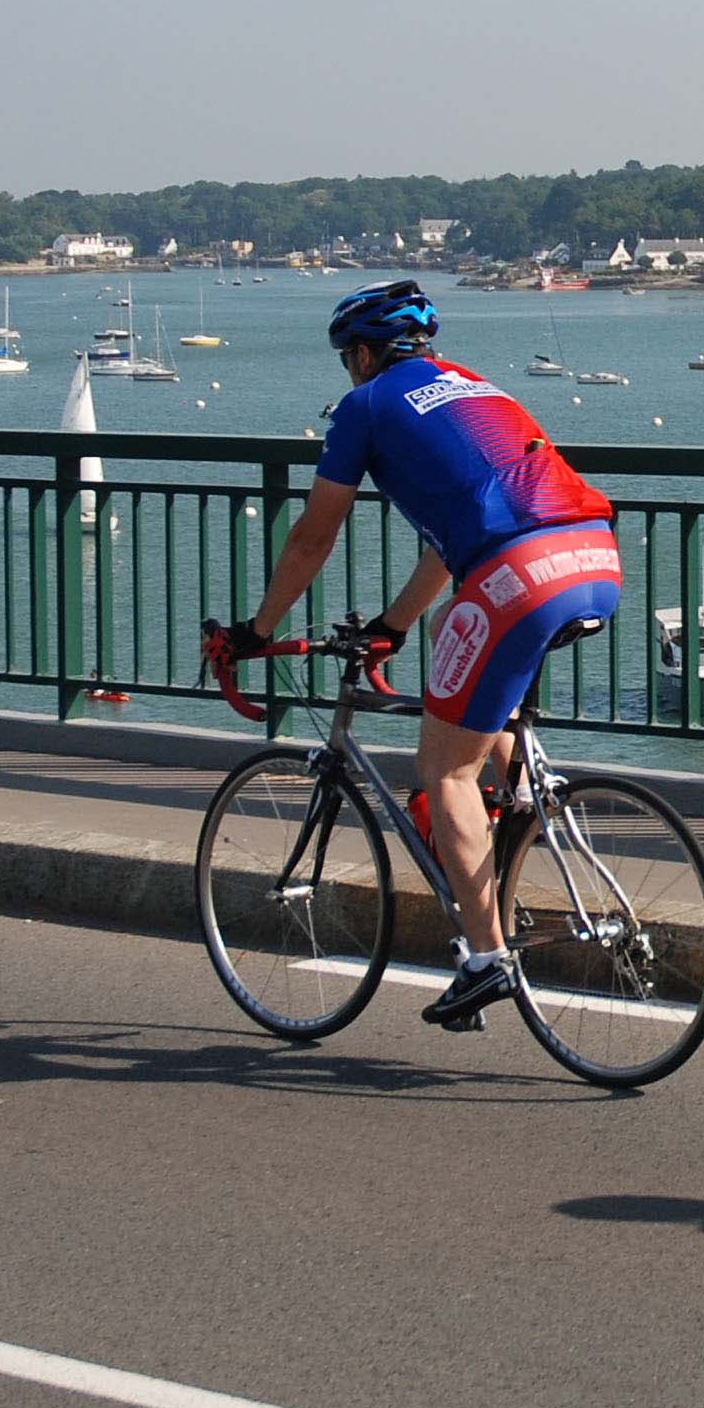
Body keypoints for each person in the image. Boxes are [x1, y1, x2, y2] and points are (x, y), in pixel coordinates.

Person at [208, 280, 621, 1030]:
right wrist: (395, 626)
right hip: (592, 555)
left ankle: (486, 961)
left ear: (363, 354)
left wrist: (257, 631)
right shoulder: (471, 386)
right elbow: (446, 542)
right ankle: (525, 799)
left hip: (517, 574)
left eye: (347, 360)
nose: (349, 372)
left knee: (442, 768)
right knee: (451, 640)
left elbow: (312, 536)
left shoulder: (366, 407)